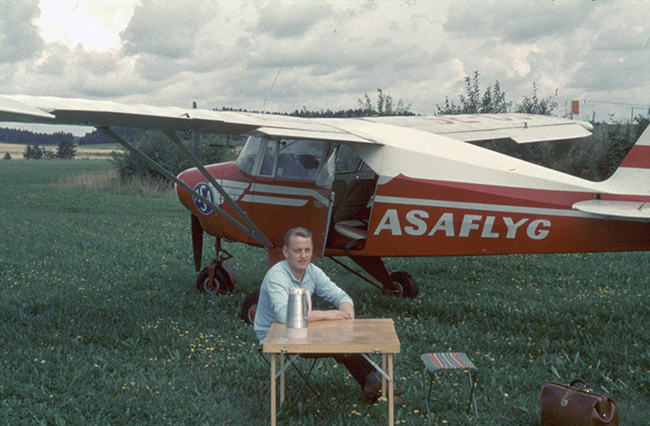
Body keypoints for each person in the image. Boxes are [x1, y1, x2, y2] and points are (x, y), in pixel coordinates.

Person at [254, 227, 406, 403]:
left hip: (302, 329)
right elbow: (284, 315)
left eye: (307, 250)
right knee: (341, 342)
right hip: (276, 335)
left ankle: (373, 384)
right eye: (297, 250)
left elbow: (341, 296)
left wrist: (347, 317)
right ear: (286, 252)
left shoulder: (312, 271)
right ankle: (375, 386)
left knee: (349, 338)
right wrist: (328, 315)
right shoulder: (277, 276)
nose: (303, 255)